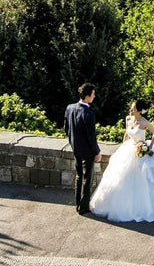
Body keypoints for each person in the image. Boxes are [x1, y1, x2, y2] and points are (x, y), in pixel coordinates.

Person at [89, 99, 154, 222]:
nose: (131, 110)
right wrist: (123, 146)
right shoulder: (128, 119)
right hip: (128, 148)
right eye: (131, 108)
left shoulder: (144, 122)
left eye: (133, 109)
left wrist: (148, 148)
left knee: (143, 179)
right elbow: (126, 134)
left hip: (141, 150)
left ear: (139, 111)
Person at [64, 82, 101, 215]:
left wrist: (73, 142)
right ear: (87, 96)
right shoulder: (89, 114)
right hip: (87, 151)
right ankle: (83, 207)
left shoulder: (70, 108)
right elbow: (91, 136)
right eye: (93, 94)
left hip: (76, 149)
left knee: (79, 176)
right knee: (87, 178)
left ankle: (78, 203)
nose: (94, 96)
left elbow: (66, 129)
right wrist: (97, 152)